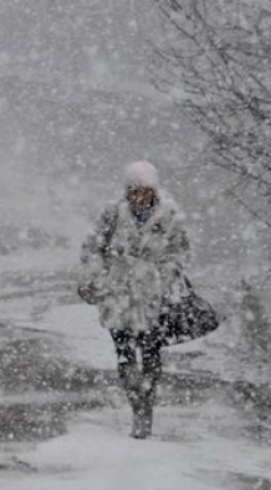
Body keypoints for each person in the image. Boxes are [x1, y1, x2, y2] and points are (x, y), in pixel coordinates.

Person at [79, 161, 190, 439]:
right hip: (118, 293)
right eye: (134, 192)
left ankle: (146, 407)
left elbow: (181, 252)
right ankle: (135, 405)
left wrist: (163, 276)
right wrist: (96, 278)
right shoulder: (112, 214)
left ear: (154, 191)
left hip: (153, 296)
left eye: (145, 192)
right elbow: (93, 248)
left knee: (151, 353)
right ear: (126, 192)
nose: (139, 198)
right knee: (125, 353)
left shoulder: (170, 217)